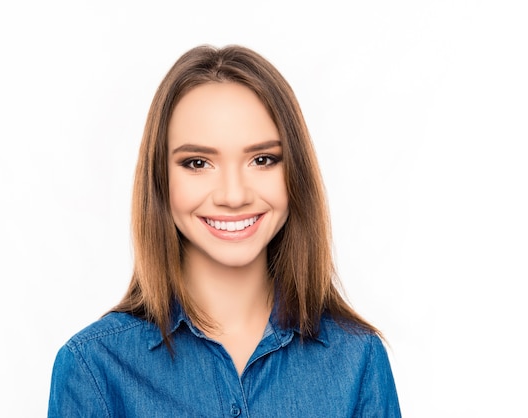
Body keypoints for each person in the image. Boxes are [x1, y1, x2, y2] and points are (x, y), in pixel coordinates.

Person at [48, 44, 401, 417]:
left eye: (262, 160)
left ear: (294, 173)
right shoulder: (94, 367)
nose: (233, 196)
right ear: (160, 180)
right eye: (198, 163)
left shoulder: (358, 359)